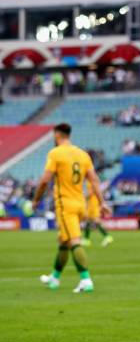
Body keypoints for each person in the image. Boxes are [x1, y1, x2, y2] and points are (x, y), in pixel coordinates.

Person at [35, 123, 110, 293]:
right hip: (80, 204)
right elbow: (94, 180)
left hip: (65, 205)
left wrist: (35, 200)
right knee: (63, 241)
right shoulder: (82, 154)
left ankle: (86, 280)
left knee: (74, 241)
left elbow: (45, 180)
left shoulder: (55, 153)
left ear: (57, 135)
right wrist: (102, 202)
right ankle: (54, 277)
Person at [82, 177, 113, 247]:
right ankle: (86, 240)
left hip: (93, 202)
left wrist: (84, 196)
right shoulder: (89, 180)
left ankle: (107, 236)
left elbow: (93, 191)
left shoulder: (92, 179)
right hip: (91, 202)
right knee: (88, 220)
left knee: (95, 220)